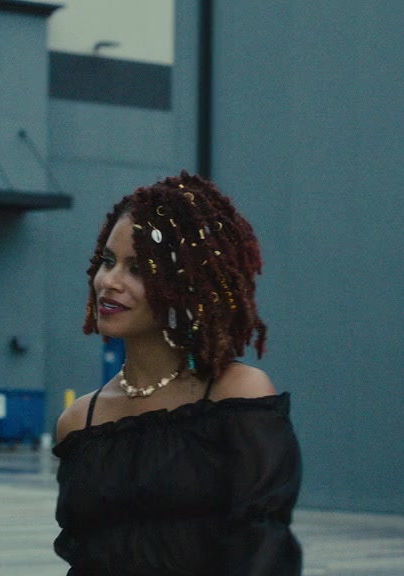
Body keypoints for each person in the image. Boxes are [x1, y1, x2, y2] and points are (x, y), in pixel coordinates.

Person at [53, 172, 302, 575]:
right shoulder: (80, 422)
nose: (109, 282)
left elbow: (263, 550)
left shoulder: (236, 396)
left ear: (184, 285)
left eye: (137, 268)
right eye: (108, 261)